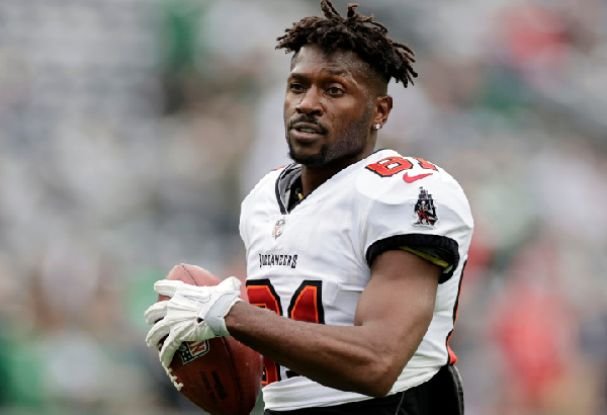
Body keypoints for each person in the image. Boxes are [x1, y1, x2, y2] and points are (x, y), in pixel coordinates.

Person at [144, 1, 474, 414]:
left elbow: (378, 363)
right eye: (298, 86)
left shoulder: (406, 191)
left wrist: (230, 315)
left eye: (333, 90)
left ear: (380, 111)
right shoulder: (263, 198)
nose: (307, 103)